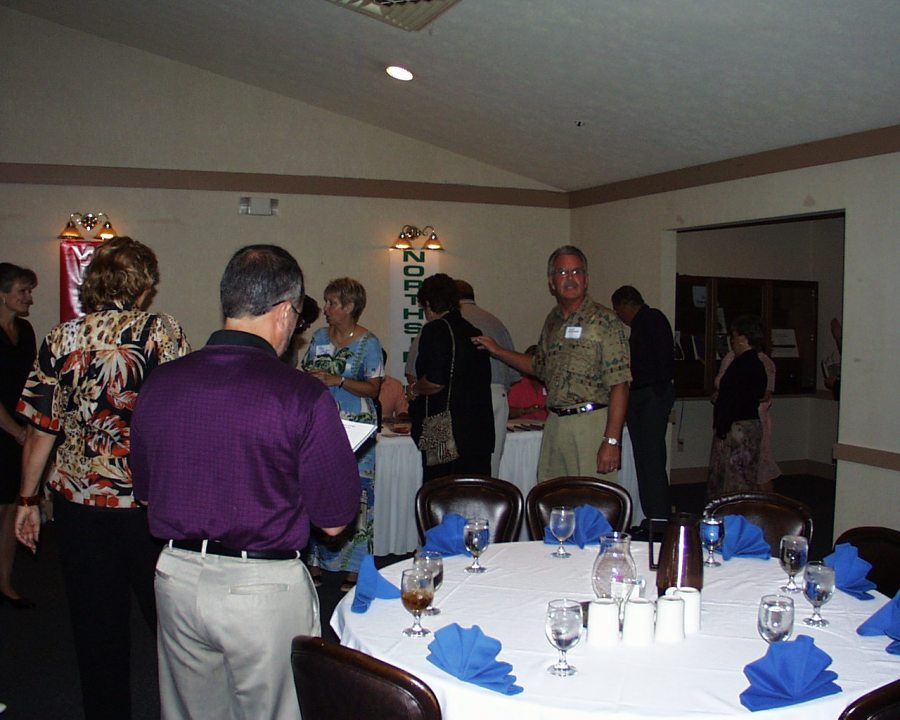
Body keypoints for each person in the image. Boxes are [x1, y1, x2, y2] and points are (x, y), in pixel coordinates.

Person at [130, 245, 359, 720]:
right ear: (285, 311)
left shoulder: (160, 383)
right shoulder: (300, 393)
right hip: (261, 589)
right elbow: (335, 521)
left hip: (177, 578)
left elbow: (147, 495)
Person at [15, 237, 190, 720]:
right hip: (146, 506)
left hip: (78, 505)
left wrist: (26, 500)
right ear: (144, 285)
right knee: (171, 624)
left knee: (96, 628)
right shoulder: (161, 332)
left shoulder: (60, 338)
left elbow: (40, 430)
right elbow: (182, 415)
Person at [474, 246, 631, 482]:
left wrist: (611, 440)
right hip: (555, 423)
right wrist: (498, 351)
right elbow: (539, 366)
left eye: (576, 272)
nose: (570, 278)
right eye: (562, 272)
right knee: (552, 495)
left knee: (590, 499)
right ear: (551, 282)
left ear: (586, 279)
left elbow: (620, 384)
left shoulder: (605, 321)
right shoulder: (553, 321)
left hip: (590, 423)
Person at [301, 277, 383, 592]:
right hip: (321, 424)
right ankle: (315, 562)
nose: (326, 308)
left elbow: (373, 388)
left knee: (358, 494)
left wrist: (338, 380)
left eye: (332, 303)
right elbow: (307, 371)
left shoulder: (368, 342)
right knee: (317, 488)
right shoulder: (319, 337)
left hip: (357, 430)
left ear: (349, 307)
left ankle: (354, 568)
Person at [408, 274, 494, 482]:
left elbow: (435, 382)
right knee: (473, 493)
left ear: (428, 304)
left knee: (440, 492)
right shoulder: (474, 331)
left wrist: (414, 389)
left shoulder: (435, 329)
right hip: (478, 430)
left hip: (443, 432)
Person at [612, 285, 676, 521]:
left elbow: (653, 364)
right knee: (646, 460)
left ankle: (659, 518)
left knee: (651, 459)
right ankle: (654, 515)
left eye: (618, 310)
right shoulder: (645, 323)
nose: (619, 315)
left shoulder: (651, 319)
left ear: (627, 304)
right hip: (646, 396)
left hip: (649, 396)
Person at [0, 263, 37, 609]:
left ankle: (5, 582)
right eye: (23, 291)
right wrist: (15, 431)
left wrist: (32, 429)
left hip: (18, 431)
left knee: (12, 508)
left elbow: (31, 383)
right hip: (7, 431)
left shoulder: (24, 331)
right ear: (2, 295)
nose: (28, 298)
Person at [455, 280, 520, 476]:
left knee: (457, 466)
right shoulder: (496, 323)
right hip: (496, 395)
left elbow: (416, 370)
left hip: (458, 397)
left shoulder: (444, 323)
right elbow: (513, 373)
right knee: (490, 465)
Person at [707, 314, 768, 498]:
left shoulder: (742, 364)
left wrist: (722, 428)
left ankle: (732, 512)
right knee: (744, 476)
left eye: (733, 336)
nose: (732, 341)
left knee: (734, 480)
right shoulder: (756, 363)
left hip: (736, 427)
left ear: (743, 338)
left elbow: (734, 398)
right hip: (748, 424)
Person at [714, 347, 780, 490]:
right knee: (731, 468)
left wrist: (738, 396)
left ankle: (765, 502)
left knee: (758, 468)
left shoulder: (762, 361)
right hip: (731, 419)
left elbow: (765, 394)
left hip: (752, 418)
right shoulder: (730, 358)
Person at [507, 345, 548, 421]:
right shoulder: (518, 384)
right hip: (522, 427)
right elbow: (506, 411)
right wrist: (526, 410)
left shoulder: (551, 385)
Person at [377, 349, 409, 423]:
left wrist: (397, 420)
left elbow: (403, 412)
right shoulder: (356, 384)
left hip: (385, 428)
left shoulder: (395, 385)